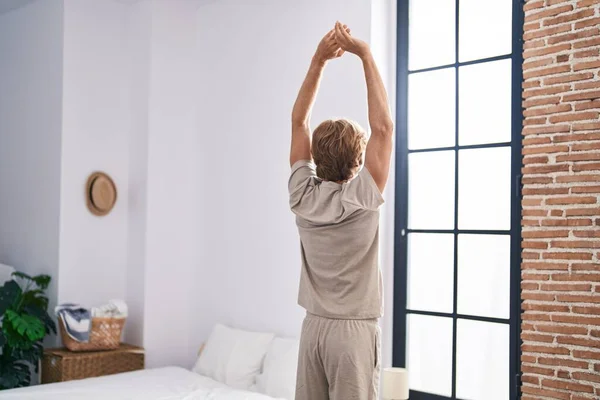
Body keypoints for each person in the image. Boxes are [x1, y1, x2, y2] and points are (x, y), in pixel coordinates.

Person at [288, 21, 394, 400]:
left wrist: (319, 60)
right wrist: (364, 54)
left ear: (315, 157)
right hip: (353, 334)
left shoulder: (302, 196)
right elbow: (383, 128)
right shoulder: (363, 197)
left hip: (313, 328)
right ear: (359, 159)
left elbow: (299, 121)